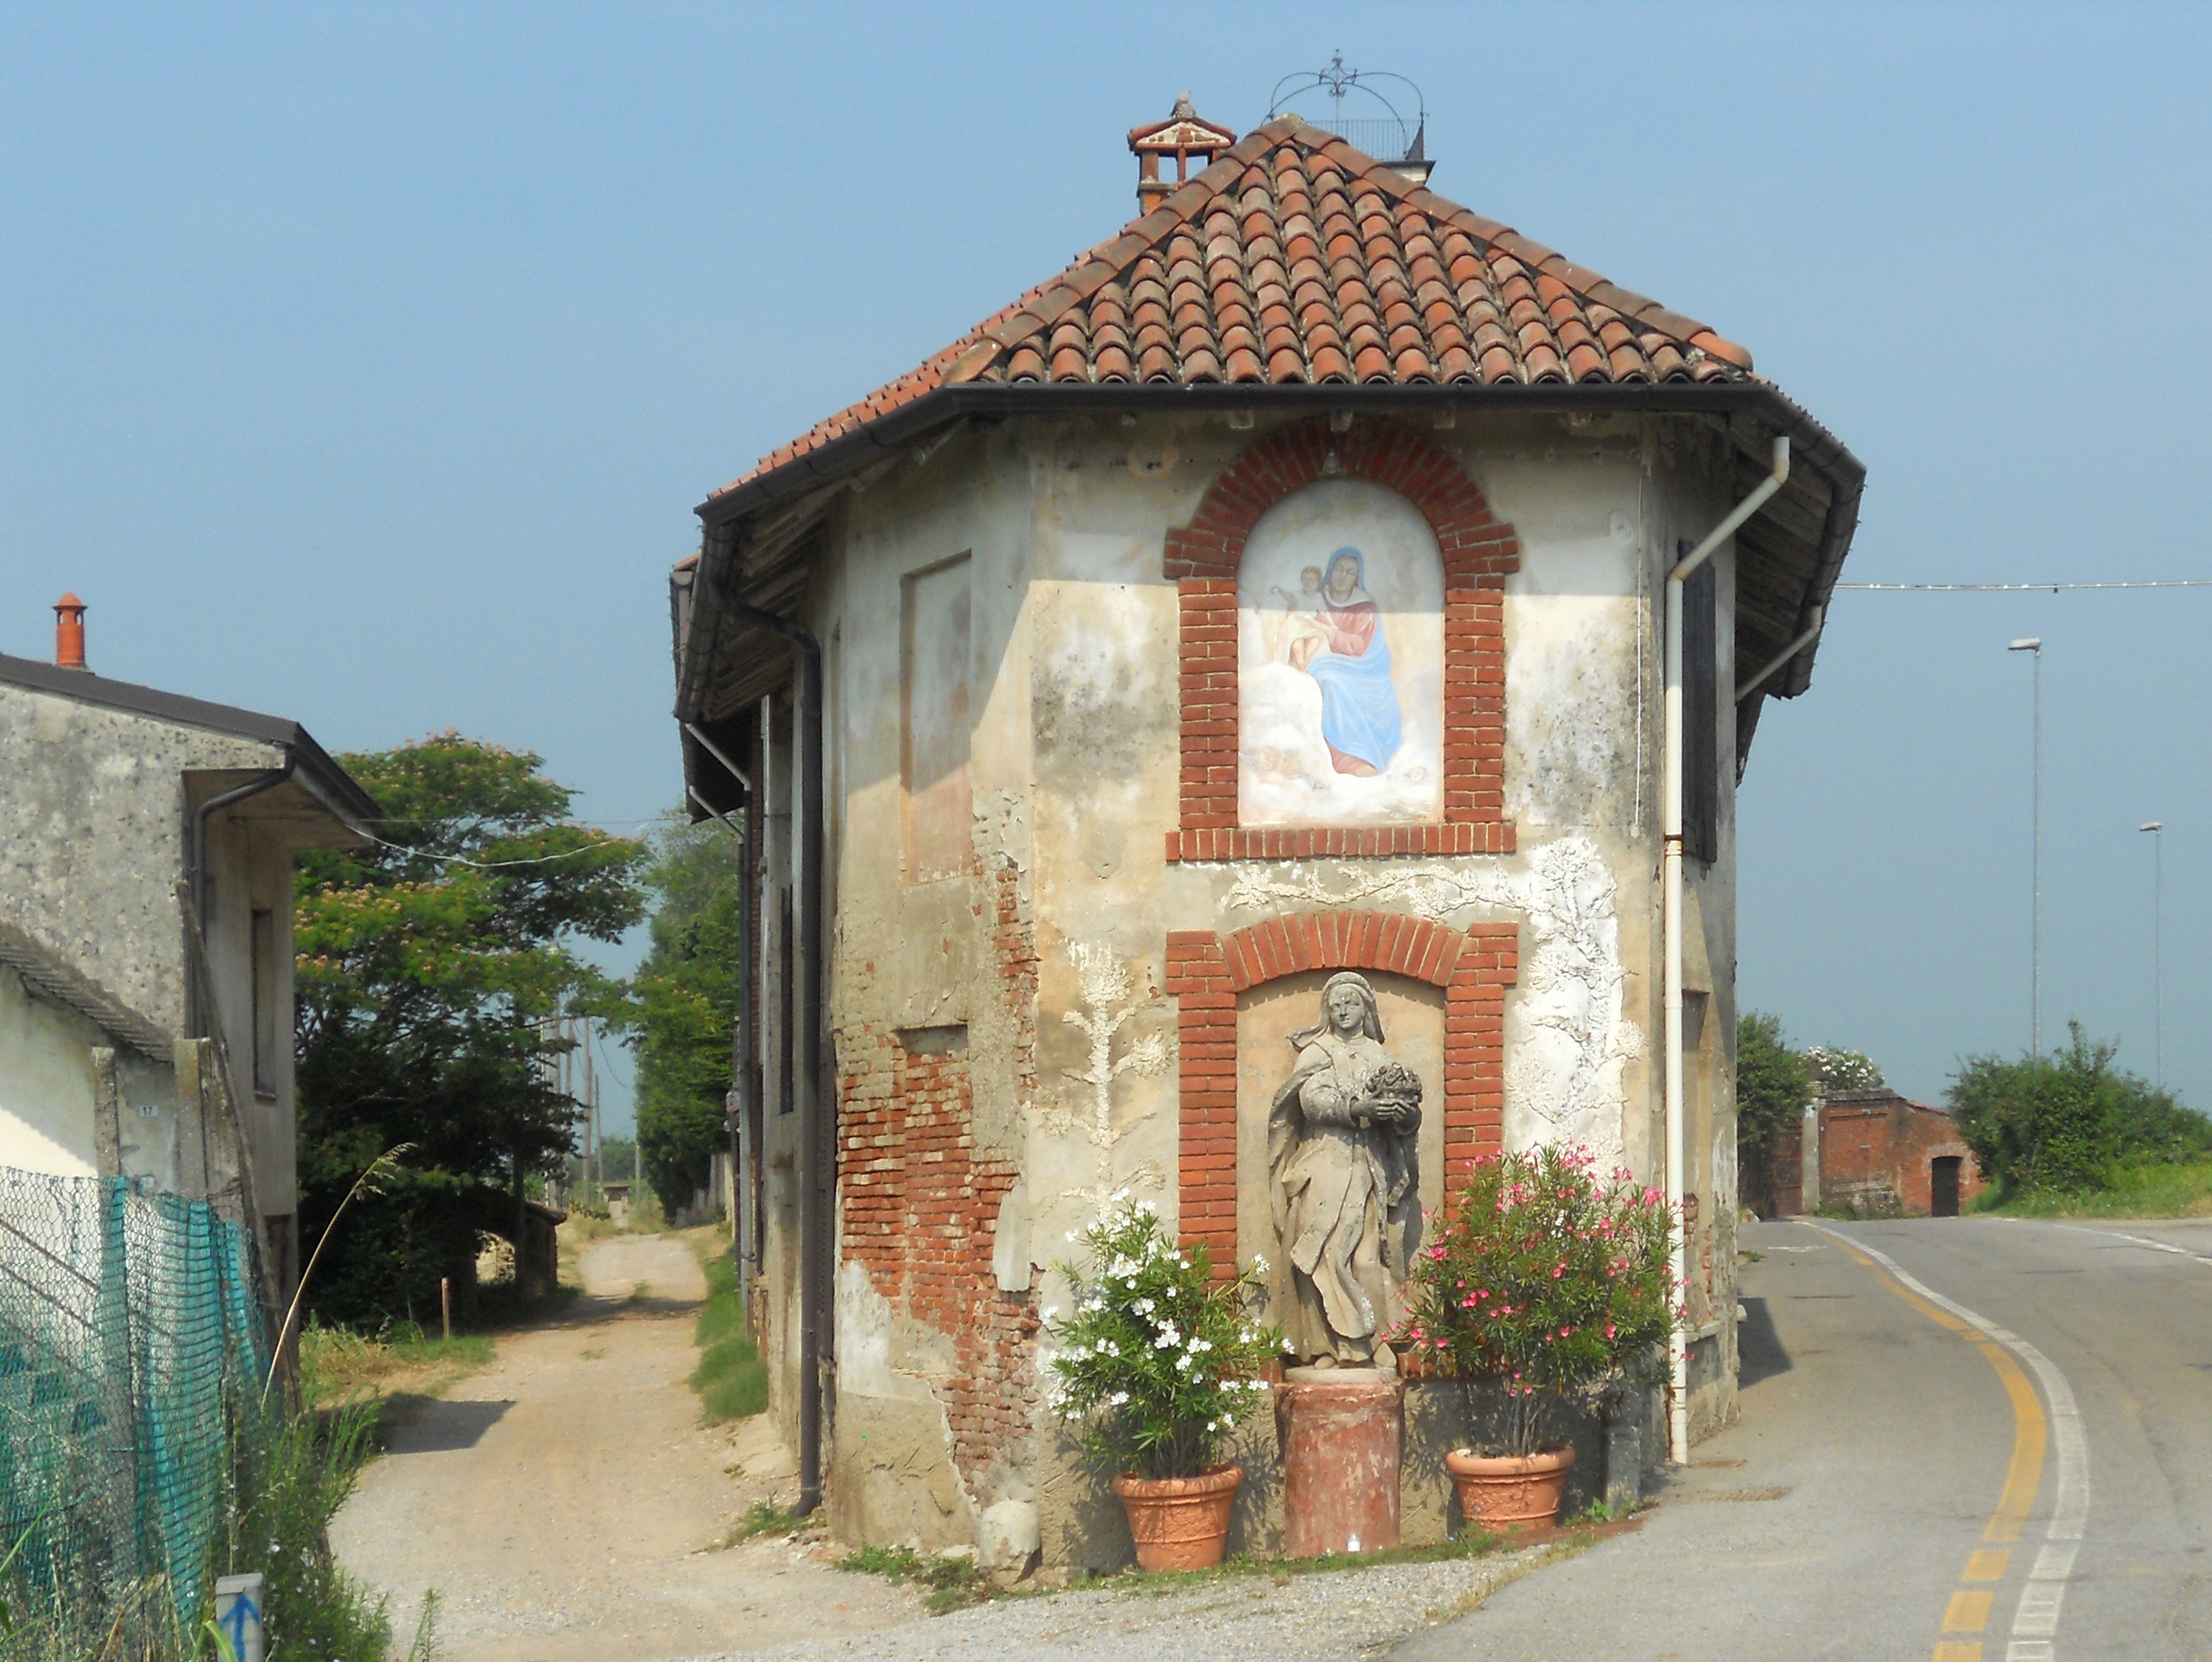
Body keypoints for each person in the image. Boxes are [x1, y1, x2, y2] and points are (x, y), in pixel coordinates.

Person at [1267, 973, 1424, 1368]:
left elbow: (1406, 1118)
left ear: (1365, 1009)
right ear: (1327, 1011)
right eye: (1336, 1005)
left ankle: (1372, 1342)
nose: (1343, 1011)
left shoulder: (1379, 1057)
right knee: (1320, 1254)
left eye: (1351, 1004)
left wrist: (1402, 1115)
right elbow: (1310, 1101)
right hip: (1324, 1160)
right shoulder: (1315, 1053)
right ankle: (1325, 1347)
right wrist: (1356, 1108)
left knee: (1367, 1258)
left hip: (1367, 1165)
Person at [1290, 547, 1401, 776]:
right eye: (1339, 569)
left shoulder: (1365, 608)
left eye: (1350, 573)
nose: (1343, 577)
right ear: (1330, 571)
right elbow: (1297, 622)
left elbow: (1360, 648)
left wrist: (1330, 632)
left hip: (1363, 669)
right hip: (1321, 656)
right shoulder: (1317, 598)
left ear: (1357, 577)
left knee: (1329, 680)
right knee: (1311, 676)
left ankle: (1350, 758)